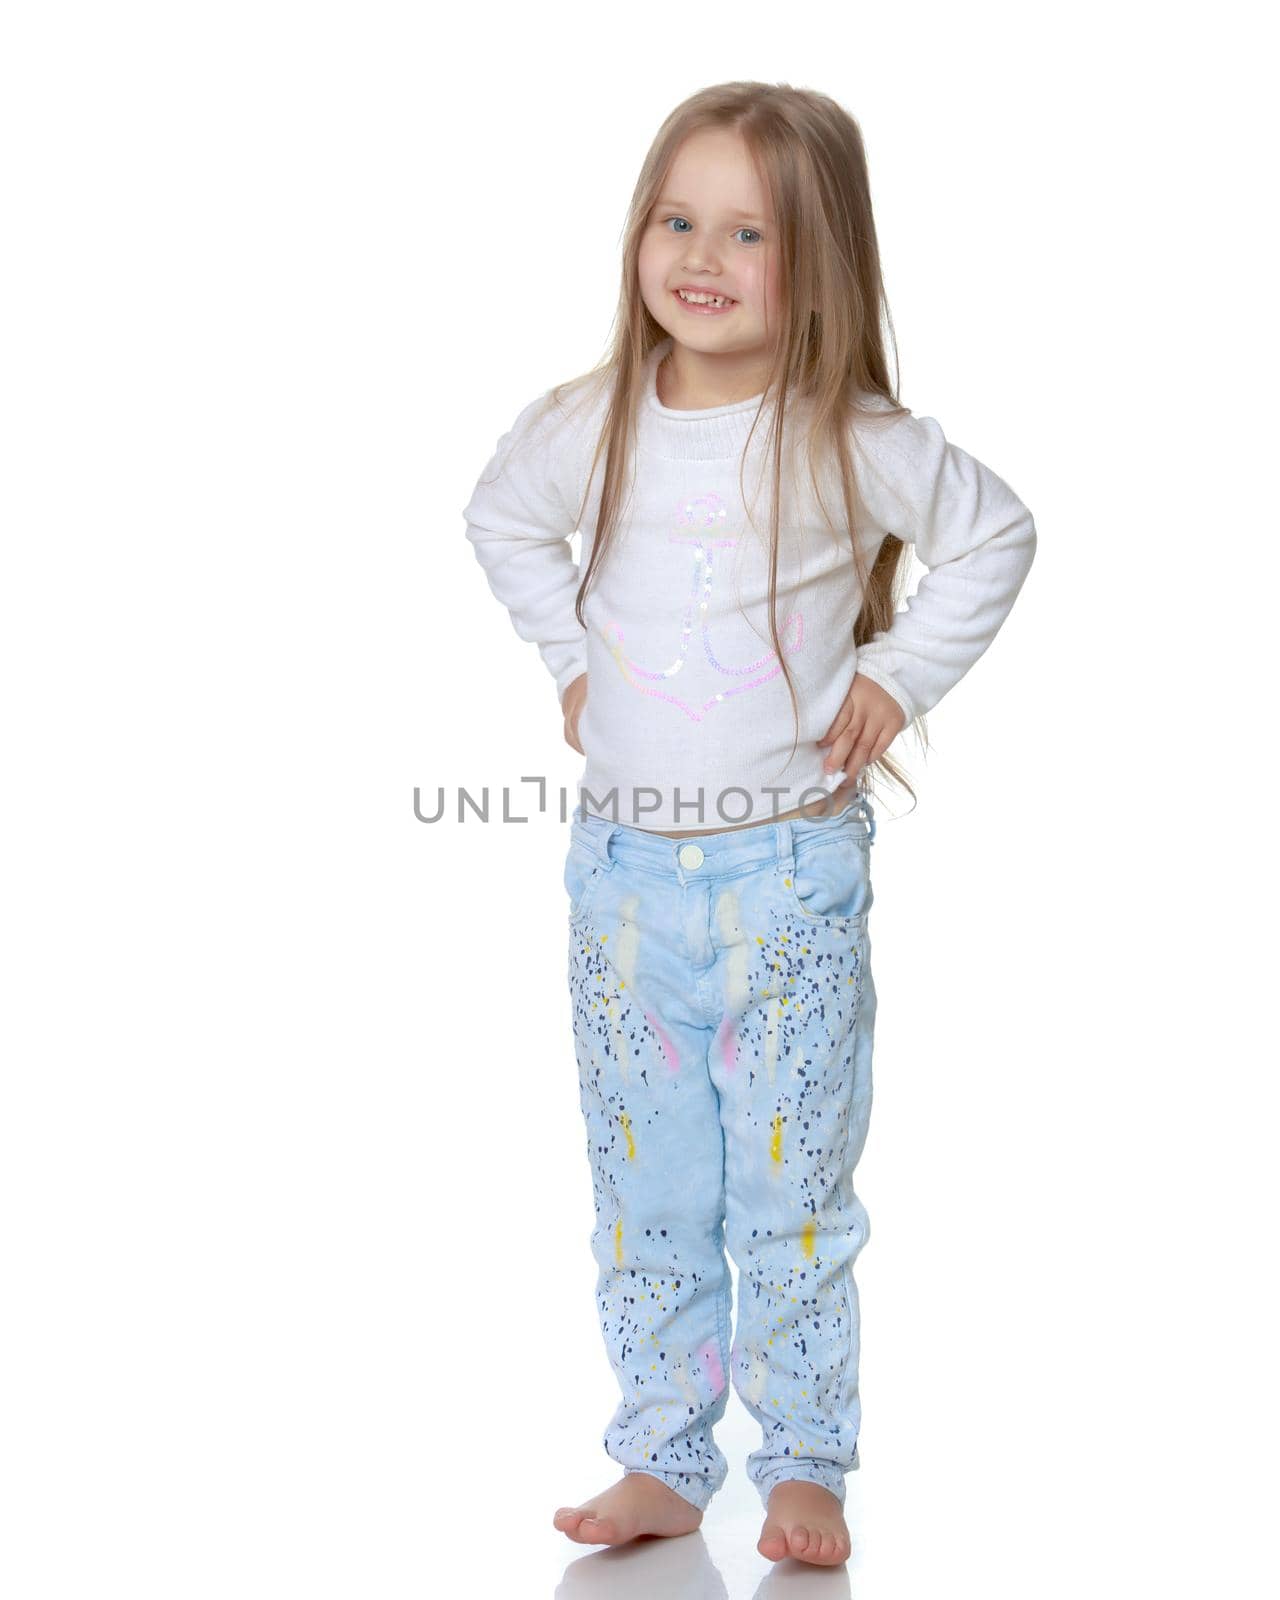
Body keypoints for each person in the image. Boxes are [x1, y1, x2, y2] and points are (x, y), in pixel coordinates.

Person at [461, 82, 1037, 1569]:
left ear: (822, 264)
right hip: (624, 886)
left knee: (789, 1187)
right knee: (645, 1185)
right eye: (676, 218)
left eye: (747, 231)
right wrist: (571, 661)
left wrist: (899, 680)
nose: (698, 254)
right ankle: (660, 1451)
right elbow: (499, 518)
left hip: (788, 876)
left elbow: (996, 531)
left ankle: (804, 1466)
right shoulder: (590, 424)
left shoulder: (845, 434)